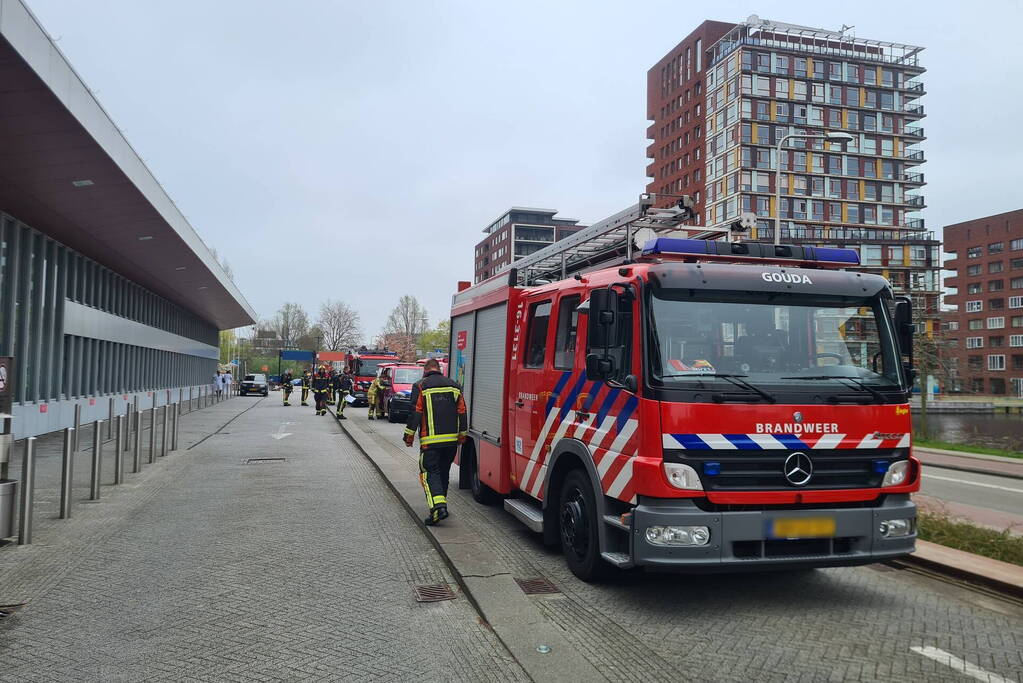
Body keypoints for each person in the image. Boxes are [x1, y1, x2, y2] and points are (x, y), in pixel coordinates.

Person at [403, 358, 467, 526]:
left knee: (429, 472)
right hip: (451, 442)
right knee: (443, 472)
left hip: (430, 442)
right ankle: (442, 506)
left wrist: (408, 435)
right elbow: (462, 411)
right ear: (439, 369)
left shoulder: (420, 386)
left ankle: (438, 508)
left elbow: (415, 412)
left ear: (425, 370)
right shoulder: (454, 385)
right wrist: (462, 434)